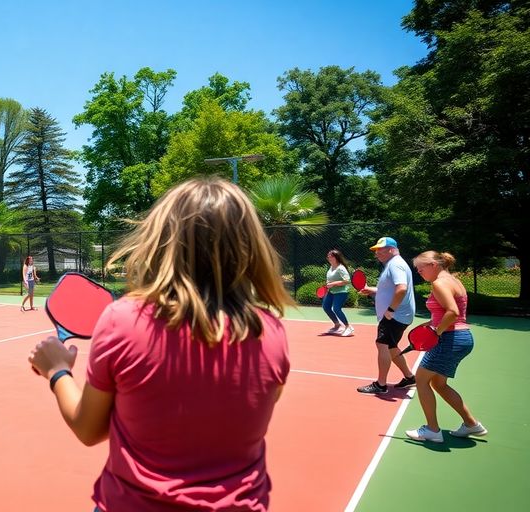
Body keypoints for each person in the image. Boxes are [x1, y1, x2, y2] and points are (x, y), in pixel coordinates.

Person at [28, 177, 293, 511]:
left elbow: (89, 429)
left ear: (162, 239)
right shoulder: (272, 334)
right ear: (249, 247)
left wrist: (57, 371)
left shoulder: (123, 320)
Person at [405, 251, 487, 443]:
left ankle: (432, 431)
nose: (419, 272)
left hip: (450, 338)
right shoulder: (454, 281)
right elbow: (449, 314)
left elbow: (452, 312)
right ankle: (471, 424)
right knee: (438, 384)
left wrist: (436, 332)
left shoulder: (439, 283)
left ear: (433, 264)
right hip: (462, 337)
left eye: (421, 268)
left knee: (421, 380)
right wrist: (429, 325)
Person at [356, 237, 417, 394]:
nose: (377, 254)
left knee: (382, 345)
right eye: (376, 251)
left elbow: (401, 288)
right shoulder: (394, 264)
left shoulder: (395, 264)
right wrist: (373, 290)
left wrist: (390, 310)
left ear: (391, 249)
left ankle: (380, 385)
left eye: (380, 250)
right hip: (399, 315)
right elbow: (391, 289)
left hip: (394, 316)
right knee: (391, 347)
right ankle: (410, 377)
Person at [322, 249, 354, 337]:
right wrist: (328, 285)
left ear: (336, 257)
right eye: (328, 256)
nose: (328, 257)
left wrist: (333, 284)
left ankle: (348, 327)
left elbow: (347, 281)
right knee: (326, 307)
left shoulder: (341, 268)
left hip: (341, 291)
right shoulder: (331, 267)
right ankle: (337, 325)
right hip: (331, 291)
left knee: (336, 308)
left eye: (331, 256)